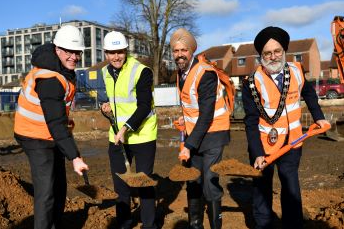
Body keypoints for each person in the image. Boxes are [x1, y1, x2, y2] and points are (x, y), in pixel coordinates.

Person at [242, 26, 330, 229]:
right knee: (262, 187)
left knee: (290, 185)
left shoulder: (297, 71)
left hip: (293, 141)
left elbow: (309, 94)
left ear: (284, 51)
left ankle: (293, 224)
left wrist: (319, 117)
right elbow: (250, 120)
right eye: (267, 53)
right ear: (261, 55)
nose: (273, 56)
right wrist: (257, 153)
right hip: (264, 145)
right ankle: (263, 224)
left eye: (277, 51)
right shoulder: (252, 82)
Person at [14, 25, 89, 229]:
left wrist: (64, 122)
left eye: (77, 52)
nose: (74, 56)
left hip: (49, 133)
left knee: (59, 187)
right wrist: (74, 157)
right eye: (69, 51)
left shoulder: (62, 70)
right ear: (57, 49)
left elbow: (56, 115)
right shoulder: (49, 78)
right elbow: (55, 122)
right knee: (46, 191)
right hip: (34, 136)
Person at [170, 28, 231, 229]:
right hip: (195, 133)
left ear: (192, 51)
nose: (179, 54)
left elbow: (206, 115)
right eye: (175, 50)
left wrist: (188, 145)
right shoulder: (181, 73)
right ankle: (195, 225)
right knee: (193, 181)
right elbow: (192, 105)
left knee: (209, 181)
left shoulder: (205, 73)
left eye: (183, 50)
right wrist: (184, 118)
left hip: (214, 133)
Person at [100, 31, 158, 229]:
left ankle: (149, 225)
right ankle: (124, 223)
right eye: (111, 52)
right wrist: (104, 107)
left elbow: (144, 106)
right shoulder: (105, 72)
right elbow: (111, 100)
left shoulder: (142, 71)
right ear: (105, 53)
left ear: (126, 51)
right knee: (120, 184)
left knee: (143, 183)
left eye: (120, 52)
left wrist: (126, 128)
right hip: (116, 135)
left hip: (142, 135)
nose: (116, 57)